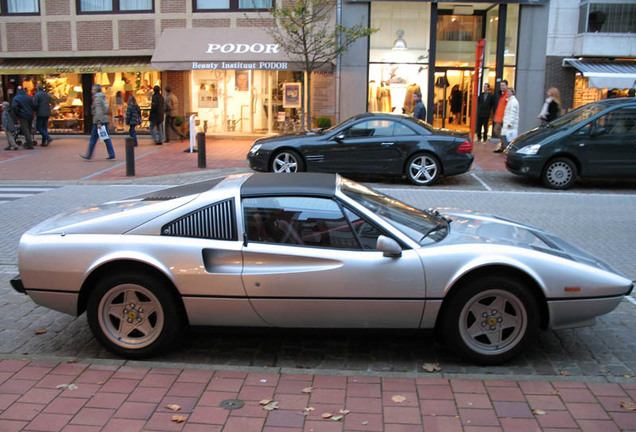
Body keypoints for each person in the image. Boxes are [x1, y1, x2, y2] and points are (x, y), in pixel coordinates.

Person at [79, 84, 116, 160]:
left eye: (93, 89)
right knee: (105, 137)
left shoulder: (97, 98)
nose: (91, 91)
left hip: (99, 121)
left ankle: (89, 154)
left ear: (96, 90)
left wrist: (99, 122)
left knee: (94, 138)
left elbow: (98, 110)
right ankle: (111, 153)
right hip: (104, 119)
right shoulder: (103, 97)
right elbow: (105, 109)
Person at [492, 80, 510, 152]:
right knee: (499, 131)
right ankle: (503, 145)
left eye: (503, 85)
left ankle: (505, 145)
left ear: (506, 86)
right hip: (500, 117)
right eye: (501, 85)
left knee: (498, 130)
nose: (501, 87)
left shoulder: (506, 96)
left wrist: (505, 117)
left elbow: (507, 108)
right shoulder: (501, 95)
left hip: (503, 118)